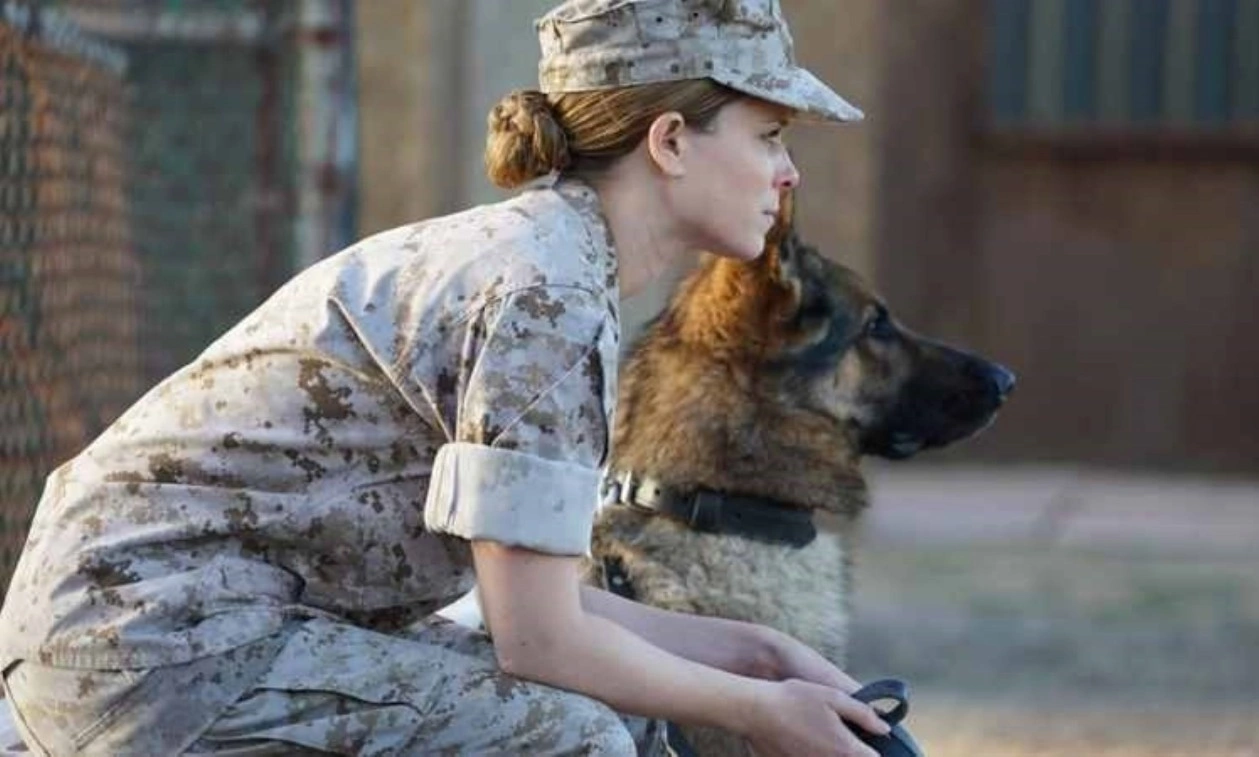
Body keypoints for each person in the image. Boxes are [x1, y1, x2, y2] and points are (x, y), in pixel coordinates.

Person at [0, 1, 886, 754]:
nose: (788, 173)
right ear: (671, 141)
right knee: (573, 738)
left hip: (179, 627)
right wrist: (763, 711)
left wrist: (763, 656)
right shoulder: (545, 295)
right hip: (149, 649)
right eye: (768, 135)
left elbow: (540, 612)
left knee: (625, 711)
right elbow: (539, 641)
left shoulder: (552, 260)